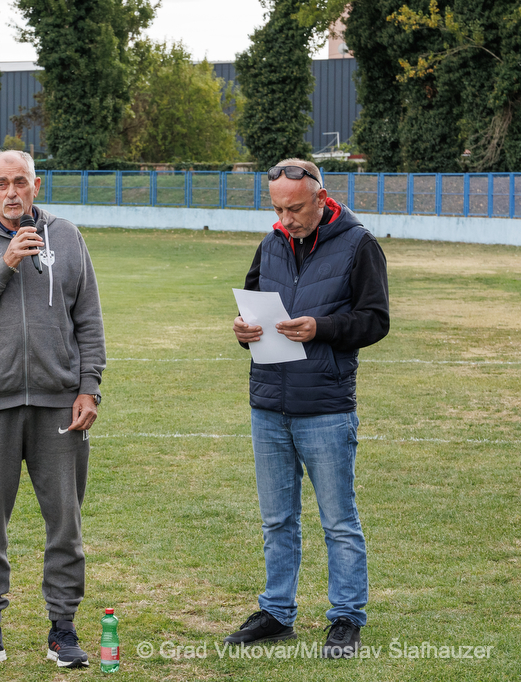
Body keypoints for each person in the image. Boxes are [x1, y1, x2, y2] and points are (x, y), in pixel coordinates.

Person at [0, 150, 106, 669]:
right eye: (2, 183)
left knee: (66, 524)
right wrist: (4, 265)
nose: (12, 192)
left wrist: (89, 387)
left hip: (60, 405)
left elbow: (89, 320)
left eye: (21, 182)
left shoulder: (68, 237)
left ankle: (63, 630)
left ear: (36, 185)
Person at [228, 159, 389, 658]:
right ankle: (277, 613)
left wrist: (323, 328)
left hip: (325, 406)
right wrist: (242, 330)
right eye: (277, 209)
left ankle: (346, 618)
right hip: (268, 404)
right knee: (277, 520)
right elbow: (250, 307)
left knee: (338, 521)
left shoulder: (359, 244)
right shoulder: (271, 243)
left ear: (321, 198)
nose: (286, 219)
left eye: (295, 209)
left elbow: (375, 319)